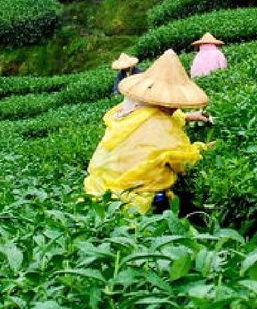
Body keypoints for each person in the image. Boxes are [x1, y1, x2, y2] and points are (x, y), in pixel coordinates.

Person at [84, 49, 212, 213]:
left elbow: (162, 117)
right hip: (132, 195)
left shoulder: (130, 113)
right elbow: (183, 163)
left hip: (99, 188)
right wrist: (204, 150)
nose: (177, 107)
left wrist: (189, 117)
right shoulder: (162, 126)